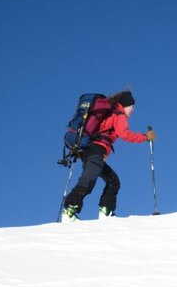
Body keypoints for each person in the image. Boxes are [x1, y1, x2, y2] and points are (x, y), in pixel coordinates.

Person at [62, 91, 156, 223]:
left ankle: (106, 211)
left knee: (113, 181)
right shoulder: (119, 115)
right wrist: (145, 137)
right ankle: (69, 210)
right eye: (132, 107)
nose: (133, 110)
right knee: (88, 180)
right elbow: (125, 134)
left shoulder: (110, 112)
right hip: (96, 150)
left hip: (89, 150)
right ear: (126, 105)